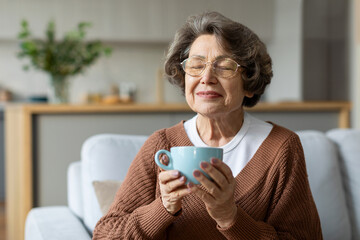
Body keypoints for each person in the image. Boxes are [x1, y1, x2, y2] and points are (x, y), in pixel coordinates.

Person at [93, 11, 323, 239]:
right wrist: (163, 207)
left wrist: (230, 217)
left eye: (224, 66)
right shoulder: (162, 145)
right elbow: (105, 236)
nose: (207, 77)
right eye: (196, 65)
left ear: (250, 83)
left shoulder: (281, 148)